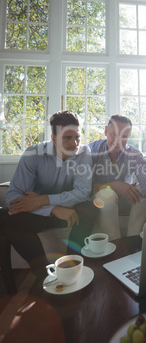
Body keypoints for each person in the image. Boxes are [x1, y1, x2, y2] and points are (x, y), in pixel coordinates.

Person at [0, 110, 98, 281]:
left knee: (90, 207)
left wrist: (42, 199)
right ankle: (44, 273)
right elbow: (12, 197)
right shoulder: (33, 154)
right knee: (6, 216)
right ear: (53, 138)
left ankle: (72, 266)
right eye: (67, 138)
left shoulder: (84, 154)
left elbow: (82, 193)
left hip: (68, 213)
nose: (74, 143)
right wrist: (52, 208)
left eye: (77, 137)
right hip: (38, 214)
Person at [89, 114, 146, 240]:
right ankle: (115, 242)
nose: (118, 141)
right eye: (114, 134)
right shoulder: (91, 151)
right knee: (107, 193)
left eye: (124, 136)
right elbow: (84, 186)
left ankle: (134, 240)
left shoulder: (134, 154)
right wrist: (114, 185)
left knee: (141, 188)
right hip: (100, 202)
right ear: (106, 131)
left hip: (126, 200)